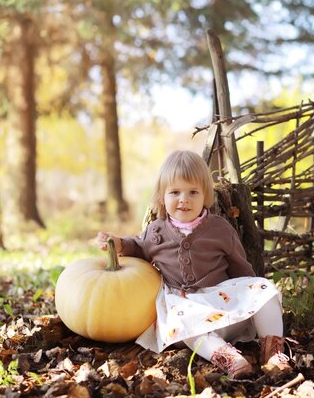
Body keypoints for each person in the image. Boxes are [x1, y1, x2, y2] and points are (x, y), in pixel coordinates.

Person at [97, 150, 289, 379]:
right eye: (175, 192)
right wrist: (118, 244)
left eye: (193, 192)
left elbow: (241, 268)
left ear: (205, 196)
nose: (184, 199)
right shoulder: (156, 231)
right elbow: (138, 247)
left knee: (263, 289)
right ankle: (226, 357)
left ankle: (273, 352)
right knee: (182, 323)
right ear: (162, 197)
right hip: (186, 309)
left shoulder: (219, 229)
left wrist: (250, 297)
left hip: (223, 304)